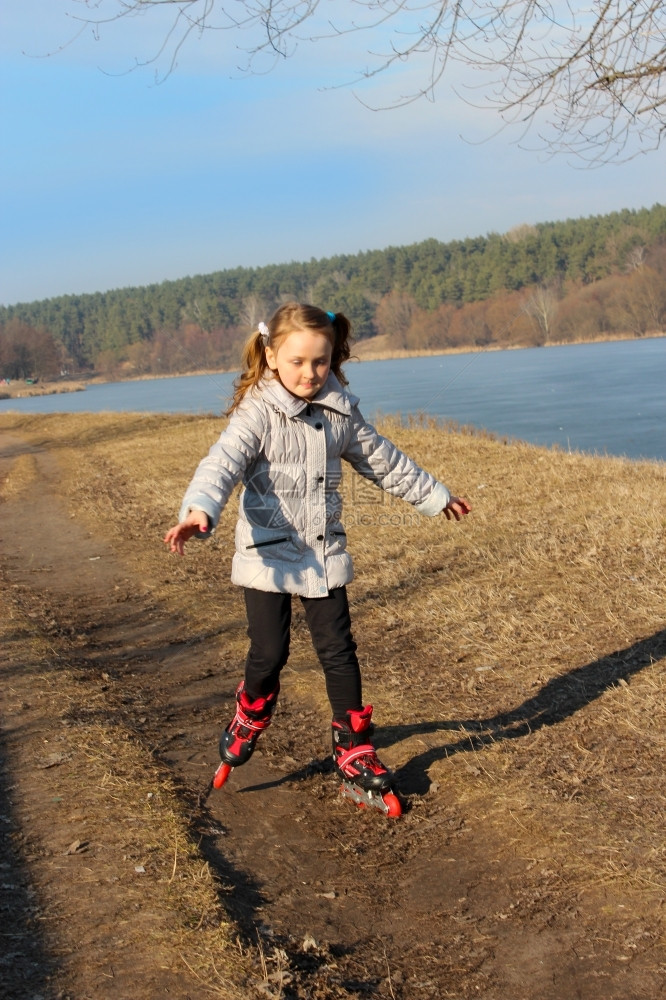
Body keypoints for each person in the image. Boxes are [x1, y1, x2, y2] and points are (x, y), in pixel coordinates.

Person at [164, 302, 470, 805]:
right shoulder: (256, 412)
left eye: (320, 362)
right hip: (266, 557)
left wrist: (435, 496)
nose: (309, 373)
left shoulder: (339, 410)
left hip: (323, 554)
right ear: (271, 356)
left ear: (333, 358)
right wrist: (200, 510)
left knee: (339, 650)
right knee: (270, 653)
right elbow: (219, 464)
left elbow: (384, 460)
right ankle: (251, 712)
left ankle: (353, 747)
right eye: (298, 362)